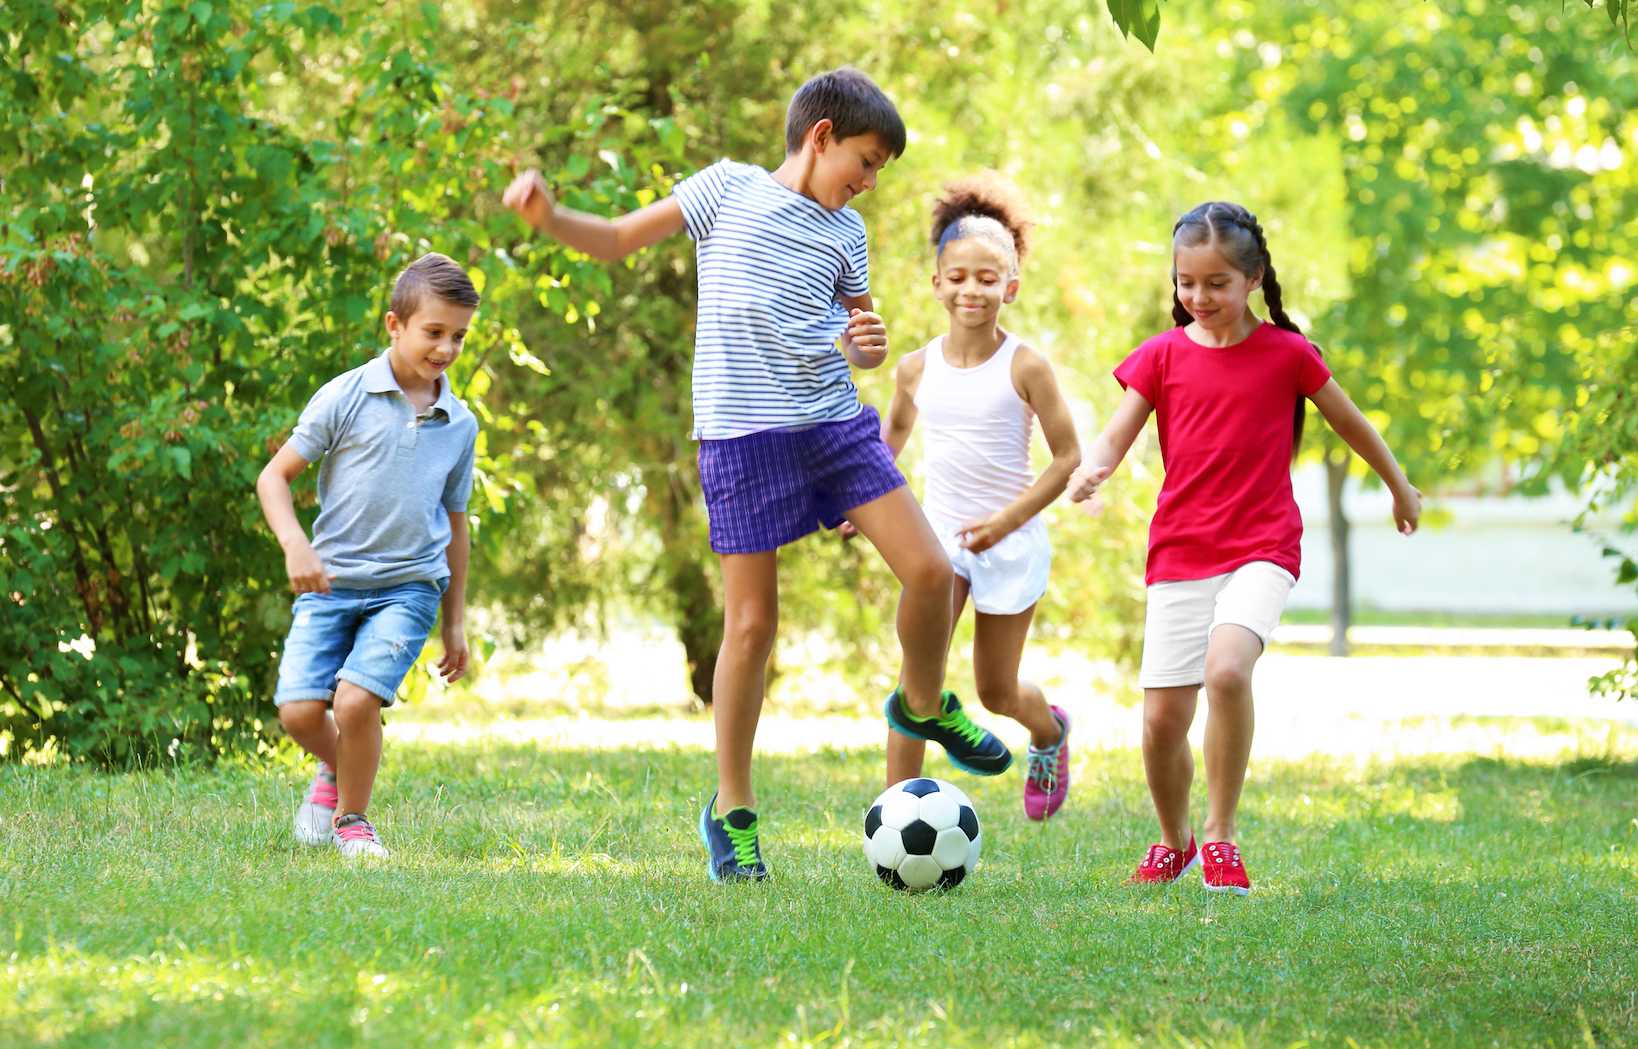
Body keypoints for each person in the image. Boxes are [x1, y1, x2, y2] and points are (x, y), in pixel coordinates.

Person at [501, 68, 1011, 883]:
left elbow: (857, 332)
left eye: (881, 170)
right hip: (741, 438)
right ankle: (733, 811)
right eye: (867, 161)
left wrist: (868, 346)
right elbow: (621, 238)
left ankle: (924, 704)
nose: (871, 182)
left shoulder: (847, 233)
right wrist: (550, 217)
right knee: (751, 627)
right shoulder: (725, 191)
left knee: (929, 570)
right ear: (820, 137)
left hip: (834, 425)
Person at [1068, 201, 1422, 893]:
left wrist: (1399, 485)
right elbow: (1117, 432)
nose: (1199, 298)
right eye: (1186, 283)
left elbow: (1352, 424)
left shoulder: (1288, 354)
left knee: (1228, 671)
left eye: (1216, 284)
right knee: (1162, 722)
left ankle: (1223, 835)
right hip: (1180, 549)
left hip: (1262, 542)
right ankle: (1176, 839)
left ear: (1253, 277)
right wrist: (1094, 467)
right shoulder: (1161, 355)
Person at [866, 176, 1080, 820]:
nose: (971, 290)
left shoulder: (1026, 366)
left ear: (1010, 287)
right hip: (937, 544)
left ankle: (1049, 732)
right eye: (957, 277)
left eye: (988, 279)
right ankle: (894, 812)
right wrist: (865, 498)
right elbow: (892, 436)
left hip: (1010, 541)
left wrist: (1006, 520)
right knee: (917, 681)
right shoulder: (914, 367)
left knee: (994, 692)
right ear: (936, 283)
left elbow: (1067, 458)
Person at [256, 252, 480, 859]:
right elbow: (274, 478)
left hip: (409, 586)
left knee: (356, 702)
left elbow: (456, 525)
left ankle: (353, 820)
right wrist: (295, 545)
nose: (446, 348)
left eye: (458, 335)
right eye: (434, 332)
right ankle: (337, 770)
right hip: (330, 581)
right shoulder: (346, 396)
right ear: (394, 325)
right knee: (300, 712)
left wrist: (454, 621)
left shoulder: (460, 423)